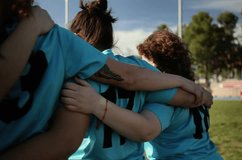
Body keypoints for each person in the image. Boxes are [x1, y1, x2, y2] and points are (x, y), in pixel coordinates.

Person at [0, 0, 210, 159]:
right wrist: (196, 91)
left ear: (78, 37)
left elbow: (65, 140)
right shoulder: (142, 72)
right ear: (111, 36)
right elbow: (181, 97)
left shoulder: (73, 70)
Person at [137, 30, 223, 160]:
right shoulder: (194, 92)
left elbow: (144, 131)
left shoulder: (165, 101)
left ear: (160, 66)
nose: (142, 69)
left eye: (145, 63)